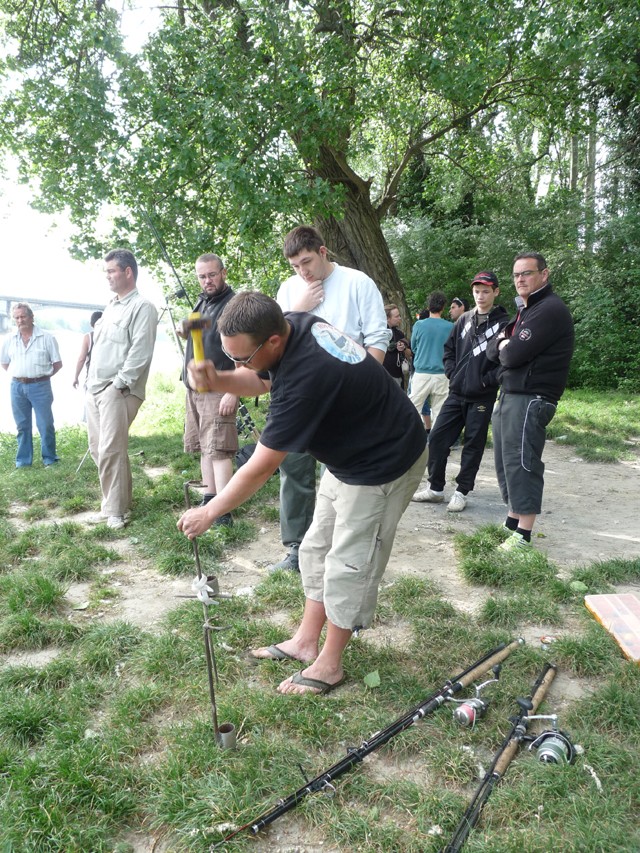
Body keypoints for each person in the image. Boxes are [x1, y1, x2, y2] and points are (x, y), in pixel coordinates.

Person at [177, 292, 427, 695]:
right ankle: (305, 641)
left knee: (350, 563)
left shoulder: (306, 378)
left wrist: (212, 510)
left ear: (272, 341)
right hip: (349, 457)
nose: (237, 365)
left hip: (384, 461)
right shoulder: (290, 323)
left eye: (241, 358)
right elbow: (260, 377)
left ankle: (330, 664)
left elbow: (260, 467)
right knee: (314, 549)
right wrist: (218, 379)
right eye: (230, 357)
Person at [272, 224, 390, 572]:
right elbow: (278, 341)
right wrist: (298, 308)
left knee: (343, 474)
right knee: (292, 466)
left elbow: (377, 337)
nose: (302, 271)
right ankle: (295, 547)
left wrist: (365, 388)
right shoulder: (290, 289)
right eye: (295, 266)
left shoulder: (357, 282)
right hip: (300, 395)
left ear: (323, 252)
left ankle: (338, 546)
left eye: (307, 262)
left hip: (348, 396)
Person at [486, 252, 574, 550]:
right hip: (511, 394)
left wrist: (504, 347)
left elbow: (510, 354)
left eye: (527, 273)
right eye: (516, 275)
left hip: (531, 397)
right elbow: (492, 349)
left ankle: (523, 536)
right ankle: (512, 522)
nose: (520, 279)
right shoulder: (526, 310)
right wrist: (503, 344)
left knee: (523, 462)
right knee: (506, 461)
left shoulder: (549, 309)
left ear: (544, 275)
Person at [413, 272, 509, 511]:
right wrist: (451, 372)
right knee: (436, 438)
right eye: (477, 291)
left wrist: (487, 382)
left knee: (473, 445)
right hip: (456, 393)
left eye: (486, 291)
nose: (480, 295)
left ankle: (462, 491)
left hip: (482, 396)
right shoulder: (463, 319)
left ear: (496, 292)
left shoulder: (504, 324)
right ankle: (435, 488)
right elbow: (449, 349)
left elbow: (506, 362)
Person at [85, 249, 158, 530]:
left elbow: (141, 351)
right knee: (98, 448)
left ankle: (116, 511)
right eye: (106, 272)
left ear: (128, 272)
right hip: (94, 389)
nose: (108, 277)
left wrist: (119, 384)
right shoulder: (110, 306)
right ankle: (116, 504)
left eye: (112, 271)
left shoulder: (142, 307)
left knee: (112, 449)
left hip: (118, 390)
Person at [182, 253, 238, 526]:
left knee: (220, 448)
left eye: (212, 275)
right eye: (202, 276)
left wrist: (233, 391)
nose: (207, 281)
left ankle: (224, 510)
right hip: (194, 389)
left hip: (221, 387)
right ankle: (209, 498)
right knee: (205, 447)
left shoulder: (234, 304)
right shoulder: (202, 302)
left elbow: (246, 352)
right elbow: (200, 334)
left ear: (223, 273)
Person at [1, 302, 62, 467]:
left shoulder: (47, 338)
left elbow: (57, 364)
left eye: (23, 316)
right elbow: (5, 363)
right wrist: (21, 375)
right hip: (17, 387)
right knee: (22, 425)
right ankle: (23, 461)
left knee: (46, 424)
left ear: (31, 317)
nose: (20, 320)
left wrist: (39, 377)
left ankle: (49, 459)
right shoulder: (9, 340)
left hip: (40, 387)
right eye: (17, 317)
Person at [409, 292, 453, 430]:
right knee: (440, 413)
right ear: (443, 307)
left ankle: (410, 442)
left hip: (422, 373)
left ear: (428, 306)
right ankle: (437, 447)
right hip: (442, 374)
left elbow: (414, 347)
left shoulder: (419, 325)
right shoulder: (451, 327)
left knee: (412, 409)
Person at [382, 303, 412, 389]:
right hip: (382, 375)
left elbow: (409, 354)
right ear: (387, 318)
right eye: (397, 316)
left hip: (398, 376)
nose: (400, 318)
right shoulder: (378, 334)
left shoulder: (399, 334)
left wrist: (403, 348)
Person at [73, 310, 103, 389]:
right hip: (108, 381)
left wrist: (76, 377)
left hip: (92, 380)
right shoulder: (111, 336)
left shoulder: (88, 337)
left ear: (91, 324)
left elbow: (81, 359)